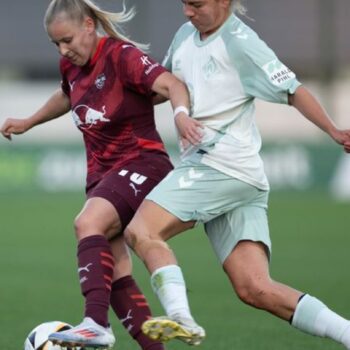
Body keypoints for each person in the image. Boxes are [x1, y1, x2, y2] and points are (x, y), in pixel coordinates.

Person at [123, 0, 350, 348]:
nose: (187, 12)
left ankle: (180, 315)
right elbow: (163, 85)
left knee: (142, 230)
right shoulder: (186, 34)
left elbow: (293, 90)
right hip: (241, 179)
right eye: (184, 3)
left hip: (220, 164)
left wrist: (334, 131)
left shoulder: (242, 43)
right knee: (255, 288)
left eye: (196, 4)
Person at [0, 0, 199, 349]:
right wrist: (29, 121)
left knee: (86, 223)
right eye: (56, 44)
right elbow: (67, 95)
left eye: (68, 40)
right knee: (116, 272)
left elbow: (172, 84)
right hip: (102, 176)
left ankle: (95, 323)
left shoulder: (121, 55)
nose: (63, 50)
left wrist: (181, 114)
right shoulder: (70, 66)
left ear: (89, 26)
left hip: (142, 163)